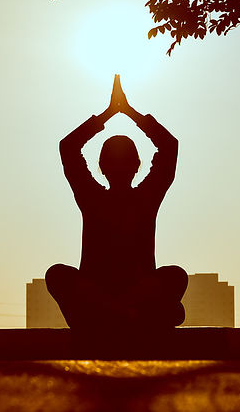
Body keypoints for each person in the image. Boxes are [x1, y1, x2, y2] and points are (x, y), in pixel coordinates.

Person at [46, 75, 188, 329]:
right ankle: (126, 314)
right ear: (137, 166)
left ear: (100, 167)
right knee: (57, 274)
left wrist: (110, 114)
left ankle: (116, 313)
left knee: (175, 276)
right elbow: (169, 146)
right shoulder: (138, 197)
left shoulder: (96, 196)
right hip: (112, 297)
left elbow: (68, 148)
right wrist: (128, 113)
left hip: (112, 299)